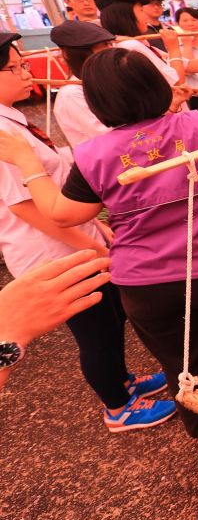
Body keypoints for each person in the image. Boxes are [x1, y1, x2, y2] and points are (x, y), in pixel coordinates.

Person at [0, 47, 198, 460]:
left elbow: (59, 214)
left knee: (182, 360)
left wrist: (26, 161)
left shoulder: (92, 154)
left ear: (98, 104)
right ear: (157, 85)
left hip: (145, 281)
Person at [0, 33, 175, 432]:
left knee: (110, 317)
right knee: (95, 330)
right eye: (13, 68)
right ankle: (117, 407)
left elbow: (51, 180)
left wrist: (93, 226)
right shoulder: (1, 133)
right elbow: (25, 207)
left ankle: (123, 382)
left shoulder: (9, 116)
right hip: (54, 251)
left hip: (72, 236)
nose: (25, 73)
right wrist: (89, 247)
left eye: (22, 64)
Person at [0, 250, 112, 392]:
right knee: (95, 340)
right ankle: (118, 407)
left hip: (56, 268)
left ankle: (124, 386)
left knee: (108, 330)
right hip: (44, 274)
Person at [96, 0, 186, 88]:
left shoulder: (126, 43)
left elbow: (187, 65)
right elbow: (177, 83)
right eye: (141, 10)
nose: (145, 16)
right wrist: (173, 49)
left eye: (159, 4)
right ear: (126, 15)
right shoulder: (131, 46)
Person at [48, 21, 114, 147]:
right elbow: (106, 133)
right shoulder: (71, 94)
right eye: (105, 45)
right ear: (79, 54)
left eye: (110, 43)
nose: (111, 49)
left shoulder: (104, 80)